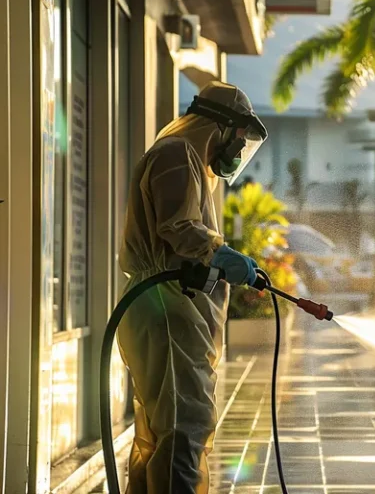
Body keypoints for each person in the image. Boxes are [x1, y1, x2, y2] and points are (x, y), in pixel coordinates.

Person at [116, 81, 268, 493]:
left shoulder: (188, 159)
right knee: (184, 427)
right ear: (217, 126)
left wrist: (221, 258)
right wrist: (219, 253)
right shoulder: (177, 153)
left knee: (162, 432)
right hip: (164, 309)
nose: (238, 150)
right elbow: (179, 228)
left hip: (165, 308)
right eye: (237, 137)